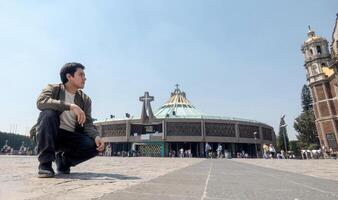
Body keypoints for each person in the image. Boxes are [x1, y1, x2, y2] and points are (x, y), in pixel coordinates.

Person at [30, 62, 105, 178]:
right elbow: (41, 102)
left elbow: (88, 123)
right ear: (69, 77)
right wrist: (70, 106)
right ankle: (45, 164)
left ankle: (63, 162)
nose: (85, 78)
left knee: (94, 145)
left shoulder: (85, 99)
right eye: (81, 75)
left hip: (70, 137)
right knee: (48, 113)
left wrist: (96, 136)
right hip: (50, 134)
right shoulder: (53, 88)